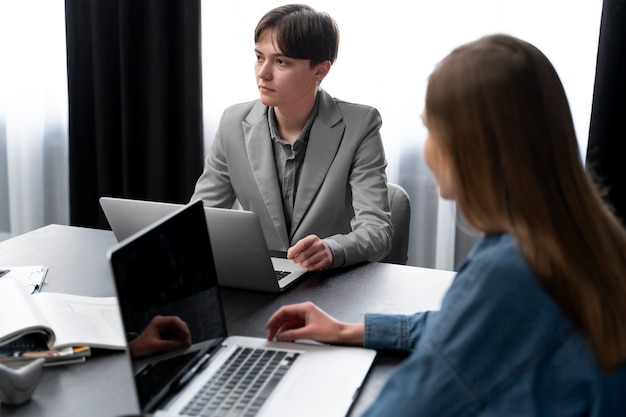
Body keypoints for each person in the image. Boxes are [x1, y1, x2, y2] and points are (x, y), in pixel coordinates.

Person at [265, 34, 626, 415]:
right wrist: (345, 331)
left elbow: (405, 407)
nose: (428, 148)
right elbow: (459, 325)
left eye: (431, 129)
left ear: (471, 145)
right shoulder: (579, 235)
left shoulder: (512, 268)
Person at [191, 4, 392, 271]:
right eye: (260, 57)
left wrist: (332, 250)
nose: (263, 73)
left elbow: (378, 230)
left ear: (320, 71)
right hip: (258, 278)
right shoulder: (232, 122)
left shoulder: (361, 125)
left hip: (329, 284)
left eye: (281, 61)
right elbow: (199, 219)